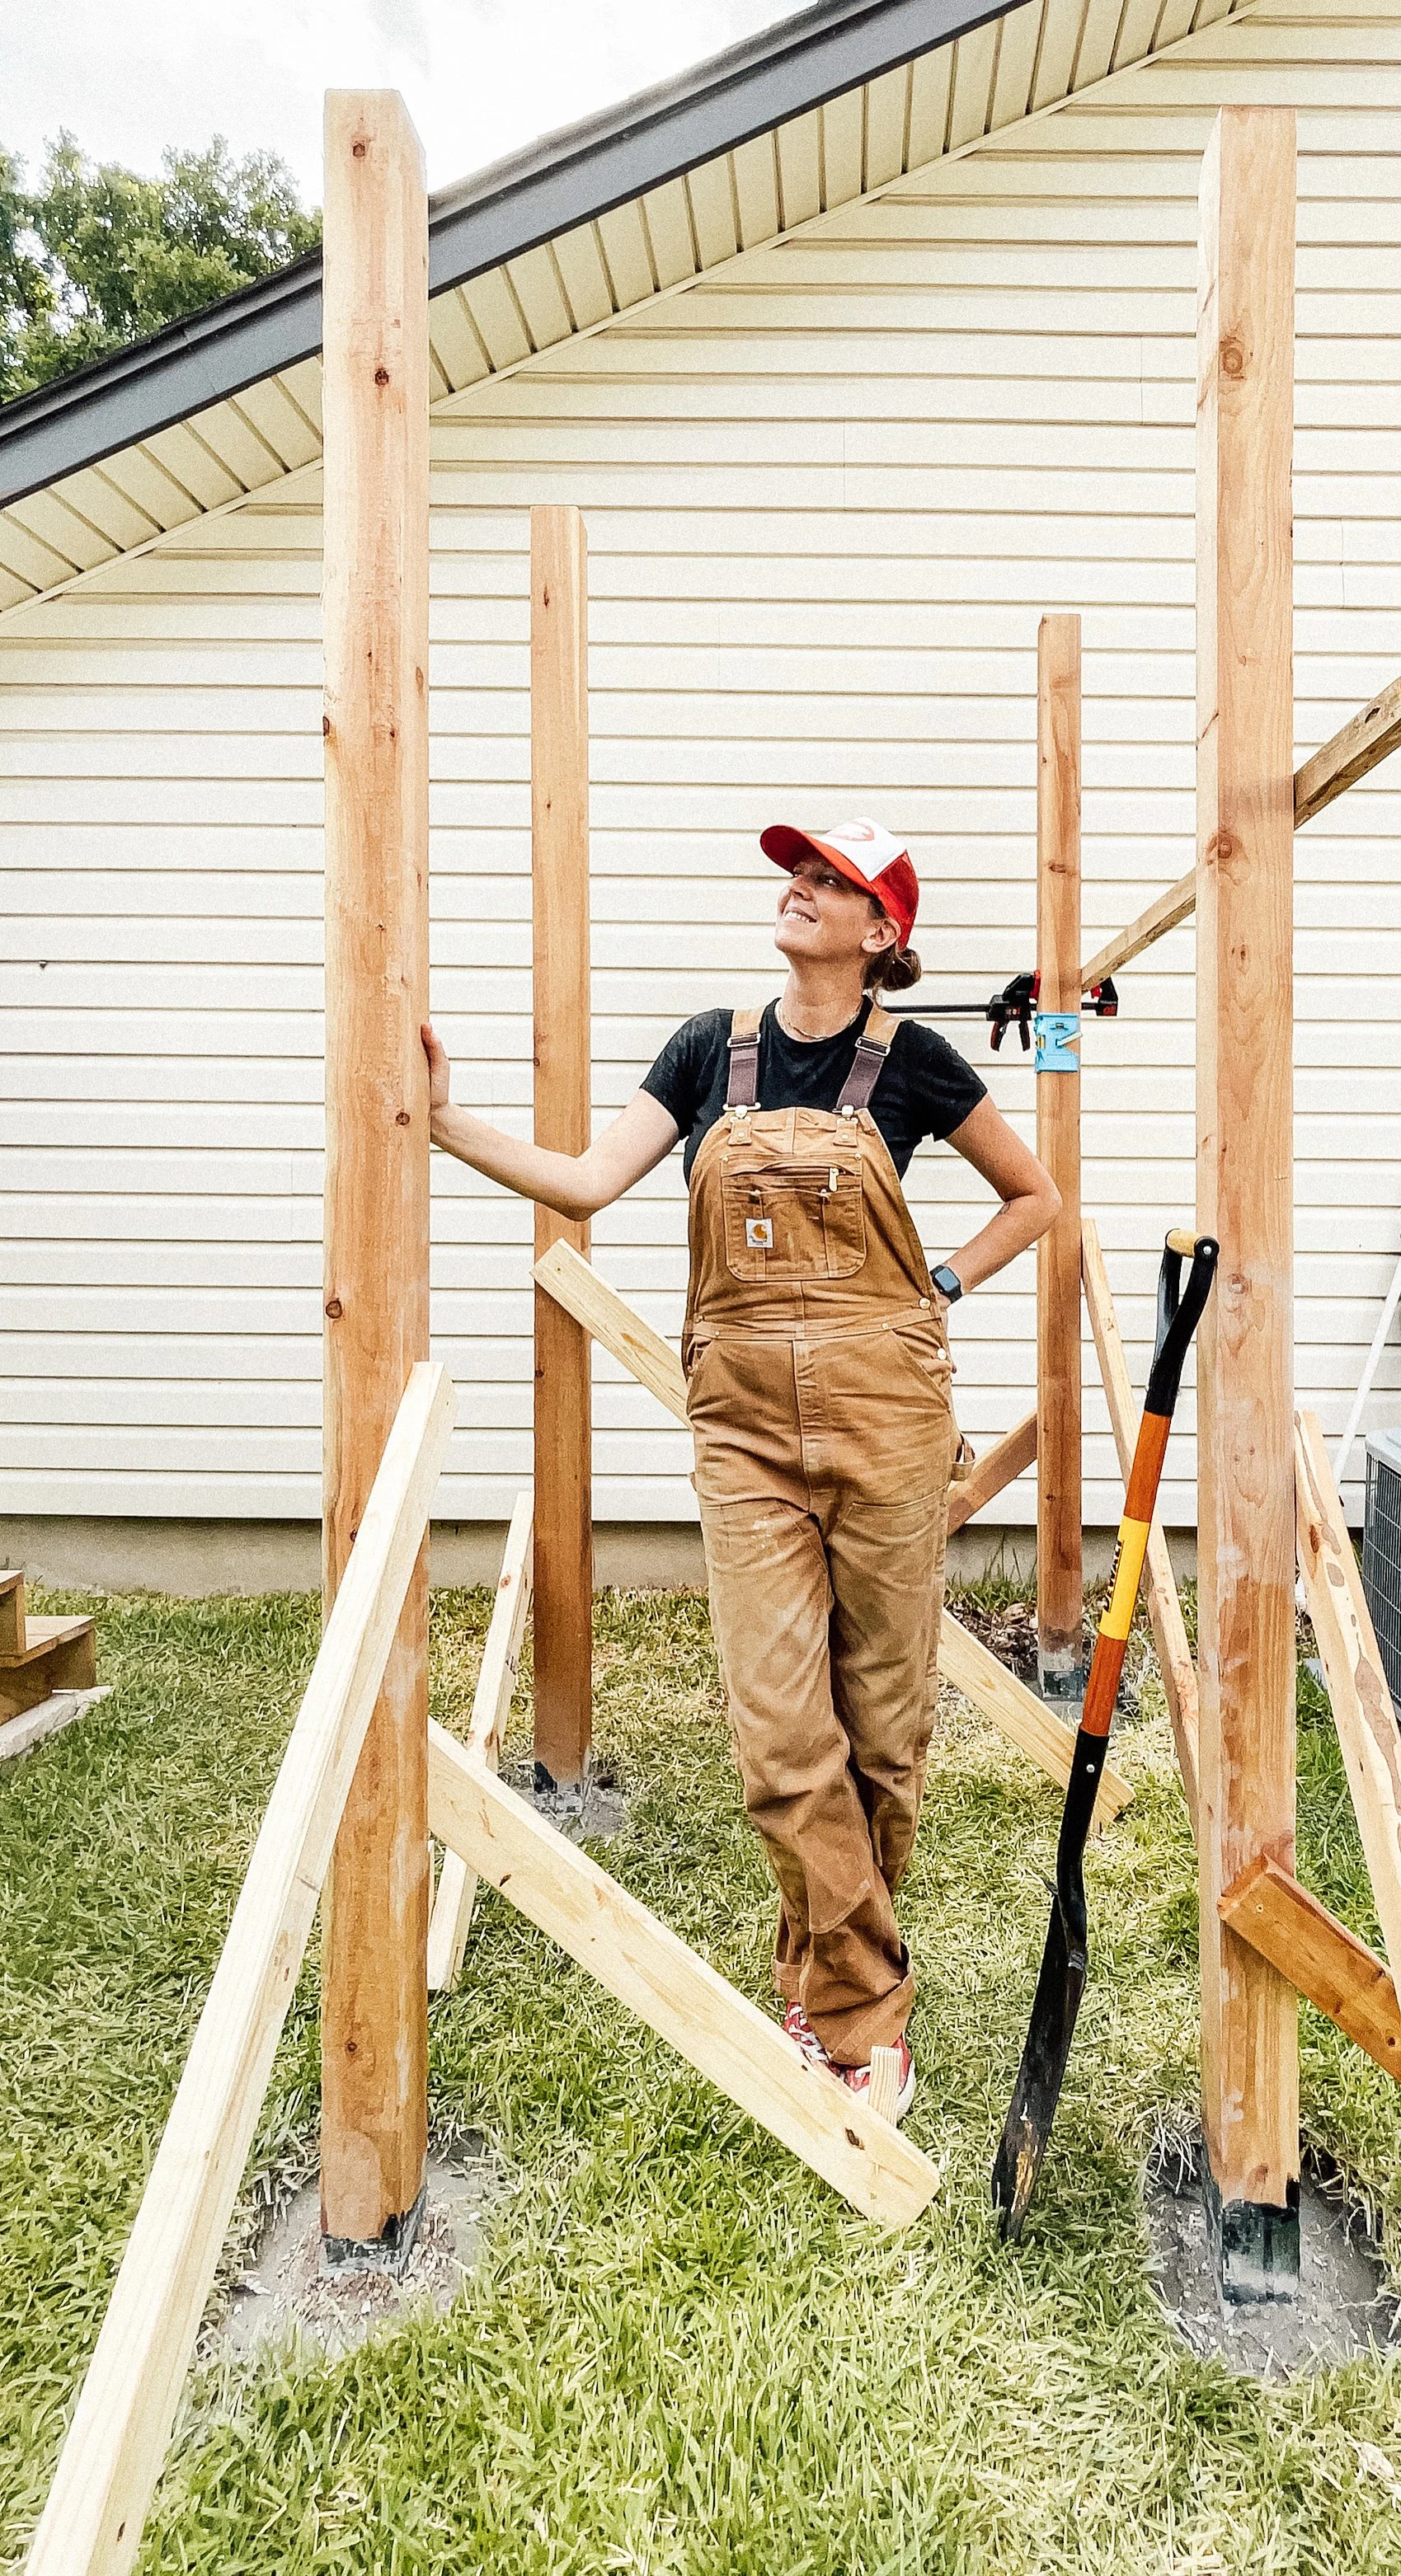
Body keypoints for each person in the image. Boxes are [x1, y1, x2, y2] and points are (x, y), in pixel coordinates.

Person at [422, 819, 1059, 2117]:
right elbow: (588, 1180)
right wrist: (443, 1122)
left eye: (835, 884)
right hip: (748, 1432)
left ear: (884, 934)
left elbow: (1037, 1200)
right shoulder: (711, 1049)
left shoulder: (919, 1063)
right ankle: (871, 2009)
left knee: (884, 1732)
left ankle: (819, 1987)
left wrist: (939, 1283)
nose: (802, 891)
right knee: (781, 1738)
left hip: (888, 1422)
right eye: (800, 874)